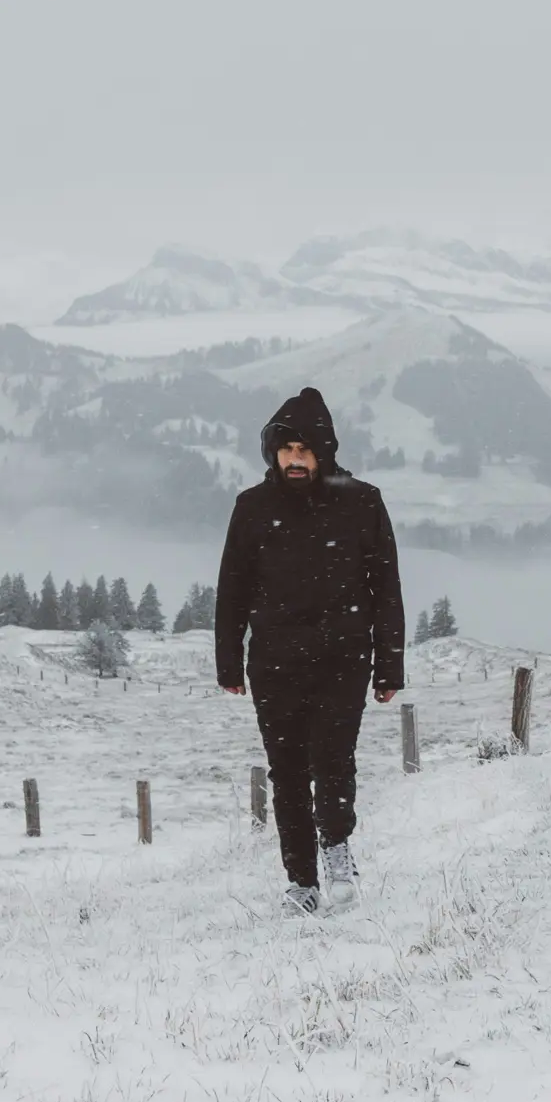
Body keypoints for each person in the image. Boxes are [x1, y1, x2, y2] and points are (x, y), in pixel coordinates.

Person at [215, 386, 405, 914]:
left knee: (334, 761)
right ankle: (301, 881)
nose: (295, 460)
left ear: (323, 452)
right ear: (272, 453)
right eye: (286, 450)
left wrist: (390, 664)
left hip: (344, 657)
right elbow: (232, 587)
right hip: (275, 662)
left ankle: (337, 849)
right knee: (288, 771)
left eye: (304, 450)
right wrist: (228, 662)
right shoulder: (251, 508)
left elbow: (386, 588)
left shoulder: (362, 501)